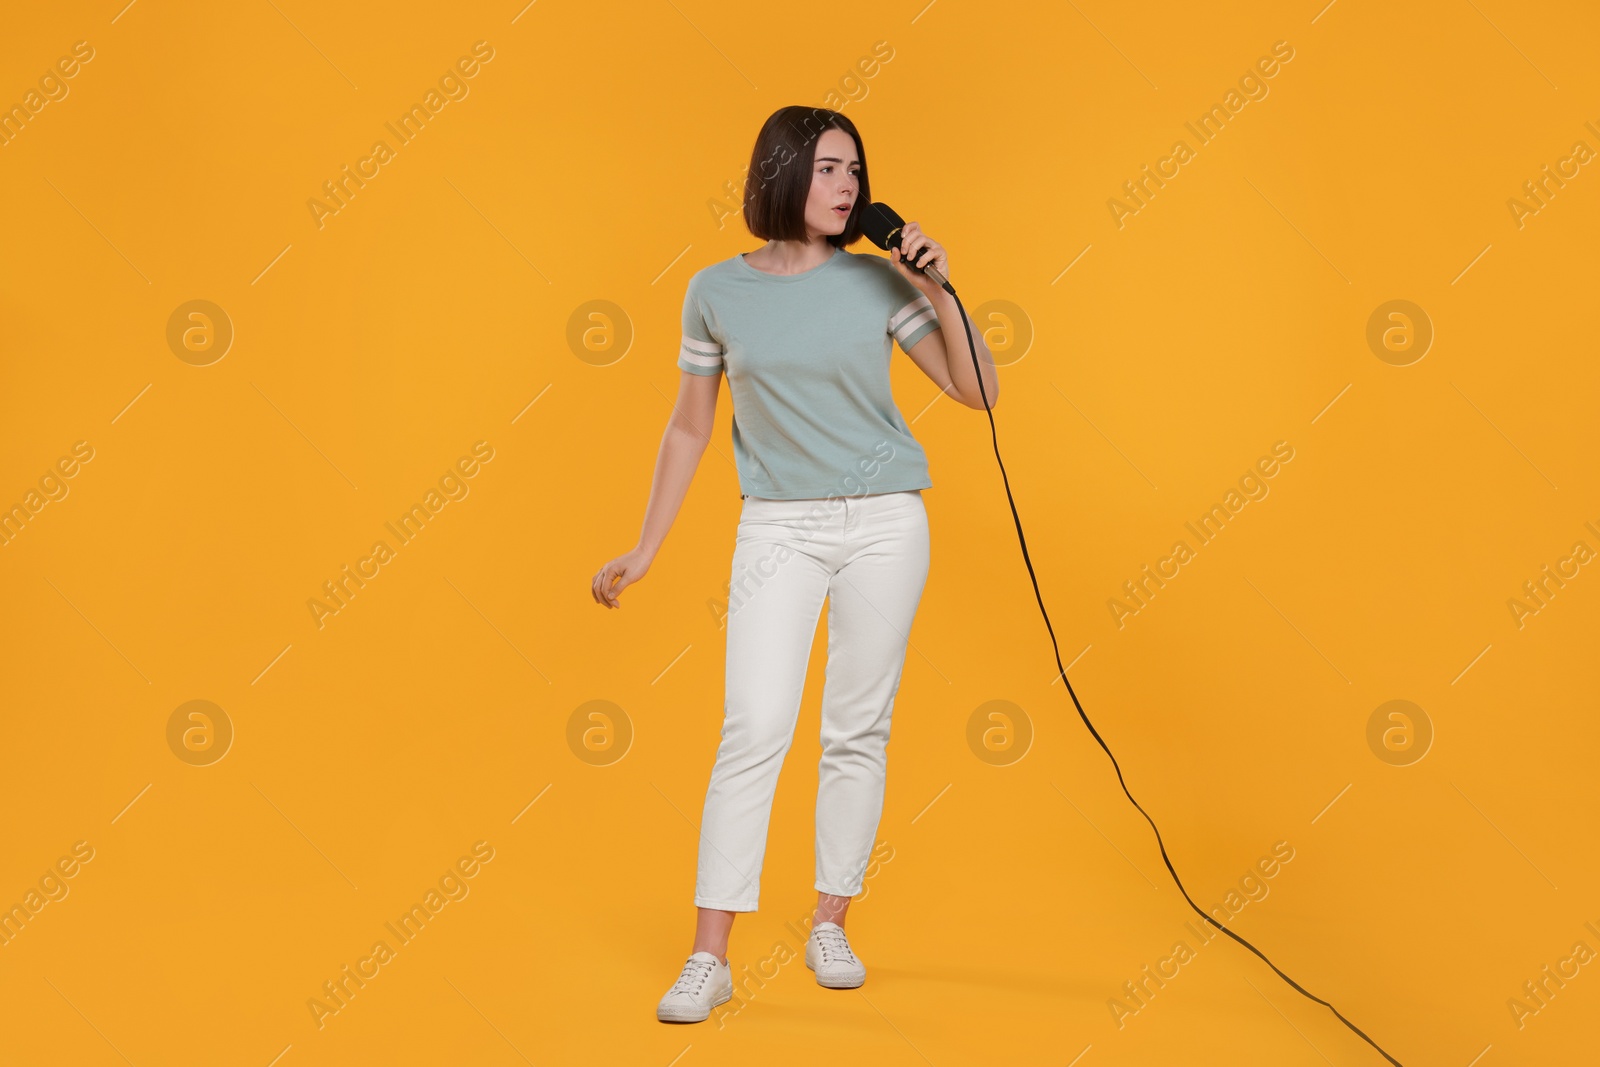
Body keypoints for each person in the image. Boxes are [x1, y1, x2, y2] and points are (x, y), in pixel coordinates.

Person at [589, 105, 999, 1024]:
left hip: (887, 522)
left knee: (858, 728)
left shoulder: (872, 282)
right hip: (778, 526)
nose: (847, 185)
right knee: (754, 727)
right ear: (780, 172)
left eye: (854, 169)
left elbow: (978, 392)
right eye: (827, 168)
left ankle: (831, 920)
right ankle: (709, 956)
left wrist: (936, 286)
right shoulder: (713, 291)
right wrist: (646, 547)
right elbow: (691, 423)